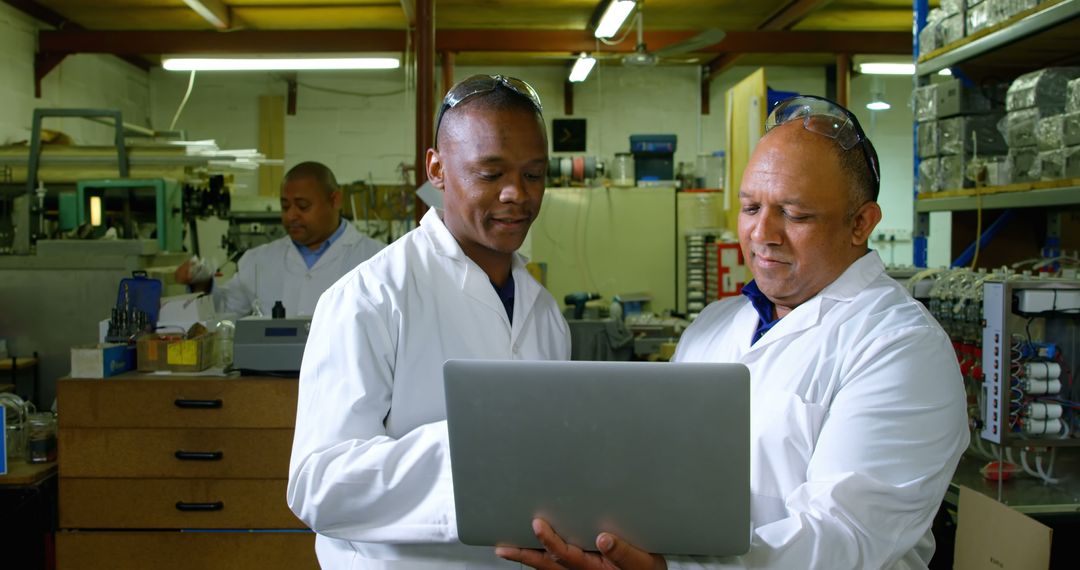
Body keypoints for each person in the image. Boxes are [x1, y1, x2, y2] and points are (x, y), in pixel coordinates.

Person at [498, 96, 969, 570]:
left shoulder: (901, 349)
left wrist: (673, 569)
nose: (763, 233)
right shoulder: (715, 325)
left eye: (796, 214)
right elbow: (659, 474)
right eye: (750, 208)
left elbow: (844, 537)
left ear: (861, 223)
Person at [287, 75, 571, 568]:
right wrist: (475, 451)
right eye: (490, 173)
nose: (516, 195)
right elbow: (318, 484)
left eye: (534, 174)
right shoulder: (370, 298)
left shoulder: (544, 313)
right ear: (437, 169)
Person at [174, 161, 385, 317]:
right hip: (270, 376)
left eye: (303, 206)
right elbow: (224, 313)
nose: (291, 215)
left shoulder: (377, 259)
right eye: (285, 206)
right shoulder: (258, 260)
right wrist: (202, 284)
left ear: (335, 200)